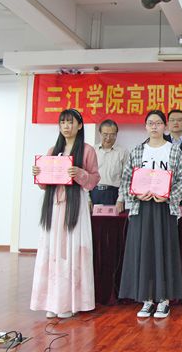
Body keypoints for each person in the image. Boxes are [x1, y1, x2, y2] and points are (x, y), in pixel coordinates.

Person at [118, 110, 182, 319]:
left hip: (164, 208)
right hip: (141, 208)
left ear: (165, 127)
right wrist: (135, 194)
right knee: (144, 251)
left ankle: (164, 300)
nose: (154, 127)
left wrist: (169, 197)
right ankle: (147, 299)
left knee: (164, 251)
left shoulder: (173, 151)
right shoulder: (137, 151)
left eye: (158, 123)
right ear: (145, 126)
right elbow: (126, 179)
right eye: (151, 123)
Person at [31, 108, 100, 319]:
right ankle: (52, 301)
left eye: (70, 122)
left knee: (72, 250)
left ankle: (71, 302)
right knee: (53, 250)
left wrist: (80, 173)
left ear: (80, 125)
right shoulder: (53, 150)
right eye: (62, 122)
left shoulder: (87, 150)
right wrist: (38, 174)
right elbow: (45, 184)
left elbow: (94, 179)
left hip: (75, 205)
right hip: (54, 205)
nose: (66, 126)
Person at [91, 119, 128, 212]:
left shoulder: (123, 152)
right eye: (105, 134)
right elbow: (86, 175)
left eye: (112, 134)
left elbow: (126, 178)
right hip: (94, 193)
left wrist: (120, 200)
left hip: (113, 194)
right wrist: (87, 199)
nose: (108, 138)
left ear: (116, 134)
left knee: (112, 221)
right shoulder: (92, 150)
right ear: (100, 133)